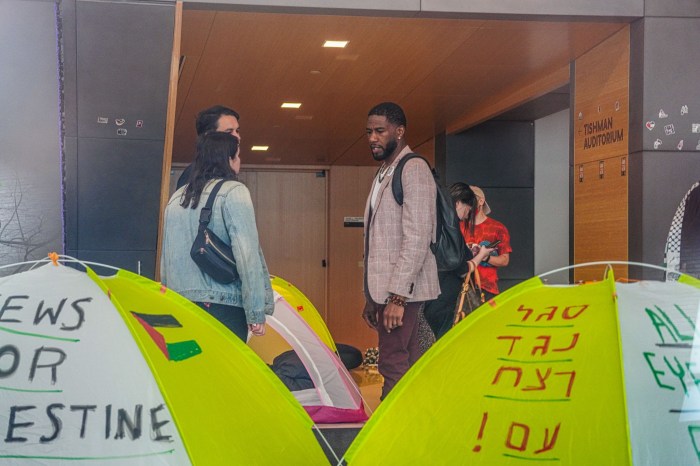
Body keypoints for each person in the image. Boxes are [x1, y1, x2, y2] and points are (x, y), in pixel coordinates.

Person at [161, 131, 273, 342]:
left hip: (181, 305)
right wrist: (255, 311)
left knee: (192, 367)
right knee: (224, 372)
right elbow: (247, 254)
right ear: (228, 159)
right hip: (223, 306)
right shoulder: (234, 192)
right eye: (238, 156)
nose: (240, 161)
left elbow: (167, 259)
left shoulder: (177, 197)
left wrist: (170, 304)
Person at [360, 102, 439, 400]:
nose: (372, 138)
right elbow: (378, 243)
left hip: (405, 293)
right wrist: (371, 297)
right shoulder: (384, 172)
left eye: (380, 131)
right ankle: (418, 426)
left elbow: (417, 236)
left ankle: (387, 436)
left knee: (393, 364)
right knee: (412, 361)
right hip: (388, 293)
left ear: (400, 131)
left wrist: (396, 297)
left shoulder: (414, 168)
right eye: (369, 132)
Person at [423, 183, 493, 339]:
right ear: (458, 202)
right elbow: (462, 269)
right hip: (447, 302)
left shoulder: (434, 226)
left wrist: (470, 252)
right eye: (468, 209)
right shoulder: (451, 231)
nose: (467, 215)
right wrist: (481, 255)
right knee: (446, 342)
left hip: (430, 299)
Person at [461, 185, 512, 302]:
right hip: (460, 286)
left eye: (469, 199)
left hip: (487, 288)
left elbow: (504, 260)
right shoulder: (459, 226)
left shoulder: (497, 228)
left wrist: (485, 257)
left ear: (481, 201)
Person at [176, 105, 242, 189]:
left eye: (237, 131)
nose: (237, 137)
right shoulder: (193, 174)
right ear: (209, 136)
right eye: (229, 132)